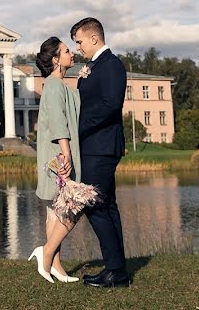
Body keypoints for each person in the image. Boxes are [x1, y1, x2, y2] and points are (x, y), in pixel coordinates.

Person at [71, 16, 130, 288]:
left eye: (80, 41)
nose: (78, 47)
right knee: (108, 206)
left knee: (93, 205)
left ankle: (116, 270)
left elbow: (109, 106)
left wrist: (76, 127)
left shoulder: (112, 66)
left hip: (102, 146)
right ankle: (117, 270)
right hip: (93, 146)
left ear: (94, 38)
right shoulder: (92, 67)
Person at [28, 36, 81, 284]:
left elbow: (73, 110)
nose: (73, 54)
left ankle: (56, 266)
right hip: (58, 156)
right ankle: (46, 252)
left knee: (55, 211)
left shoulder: (59, 86)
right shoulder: (53, 86)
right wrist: (66, 154)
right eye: (67, 51)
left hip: (58, 154)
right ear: (56, 59)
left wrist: (83, 83)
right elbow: (60, 122)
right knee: (72, 208)